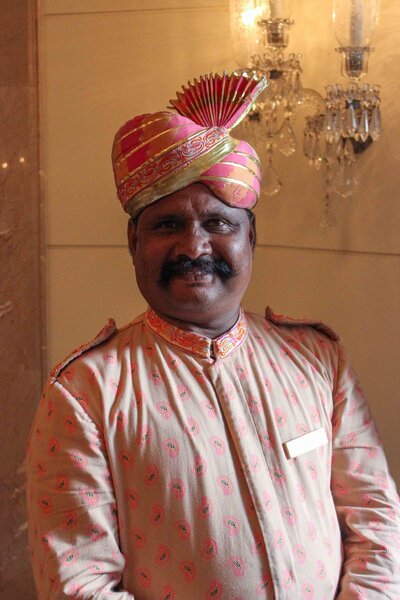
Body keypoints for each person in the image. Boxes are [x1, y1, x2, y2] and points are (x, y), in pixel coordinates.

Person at [27, 72, 400, 600]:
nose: (194, 246)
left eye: (219, 224)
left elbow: (375, 516)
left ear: (252, 238)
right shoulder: (85, 392)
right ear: (133, 242)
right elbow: (79, 583)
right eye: (166, 225)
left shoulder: (317, 359)